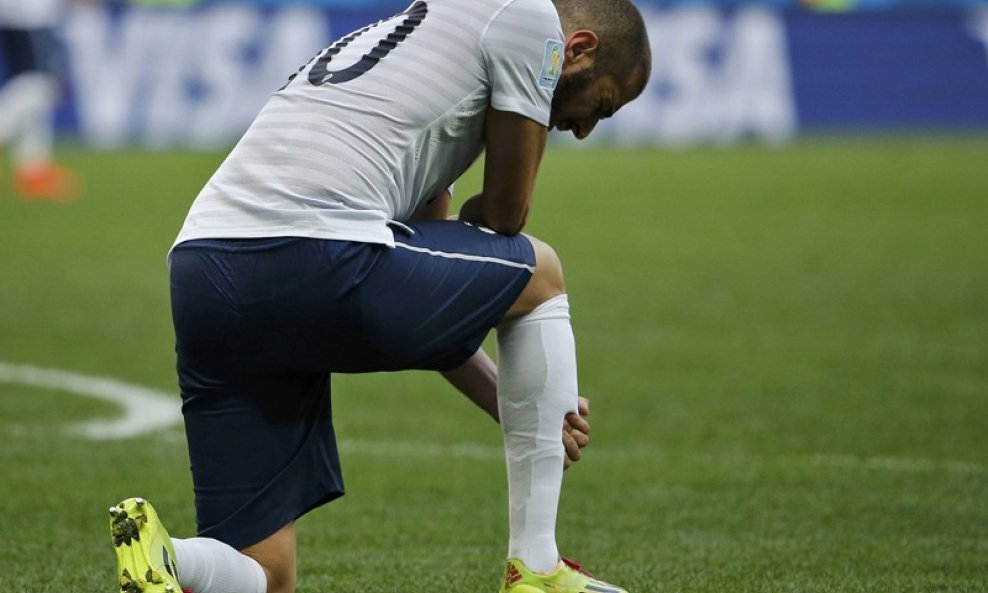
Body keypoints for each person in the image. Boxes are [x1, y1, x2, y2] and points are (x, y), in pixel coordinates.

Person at [108, 1, 651, 592]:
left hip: (204, 273)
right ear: (578, 48)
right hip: (311, 250)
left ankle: (169, 559)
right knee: (540, 271)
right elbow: (505, 216)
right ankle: (537, 568)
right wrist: (484, 218)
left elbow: (432, 305)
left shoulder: (428, 58)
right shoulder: (527, 16)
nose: (584, 129)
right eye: (599, 104)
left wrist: (511, 403)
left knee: (268, 575)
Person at [0, 0, 79, 201]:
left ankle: (33, 172)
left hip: (21, 12)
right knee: (41, 85)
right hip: (31, 13)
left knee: (28, 82)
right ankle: (33, 170)